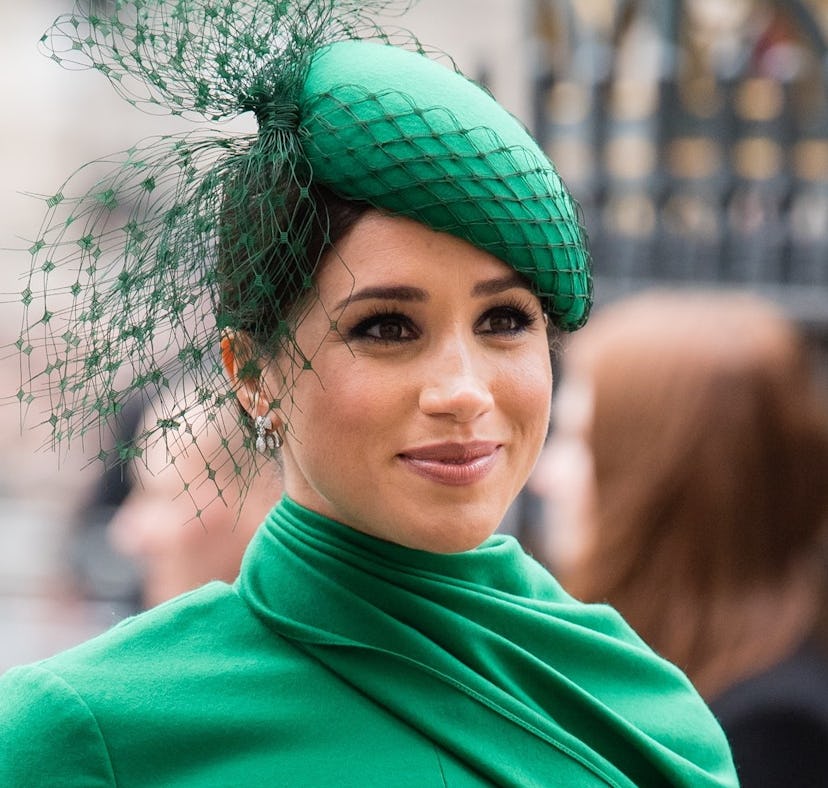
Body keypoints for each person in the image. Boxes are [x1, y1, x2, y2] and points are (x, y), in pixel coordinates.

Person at [0, 2, 737, 785]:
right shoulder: (89, 734)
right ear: (251, 372)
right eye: (386, 328)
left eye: (505, 320)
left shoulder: (649, 711)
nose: (462, 390)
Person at [531, 289, 828, 786]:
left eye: (579, 442)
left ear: (664, 483)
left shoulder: (769, 731)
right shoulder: (658, 660)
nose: (546, 476)